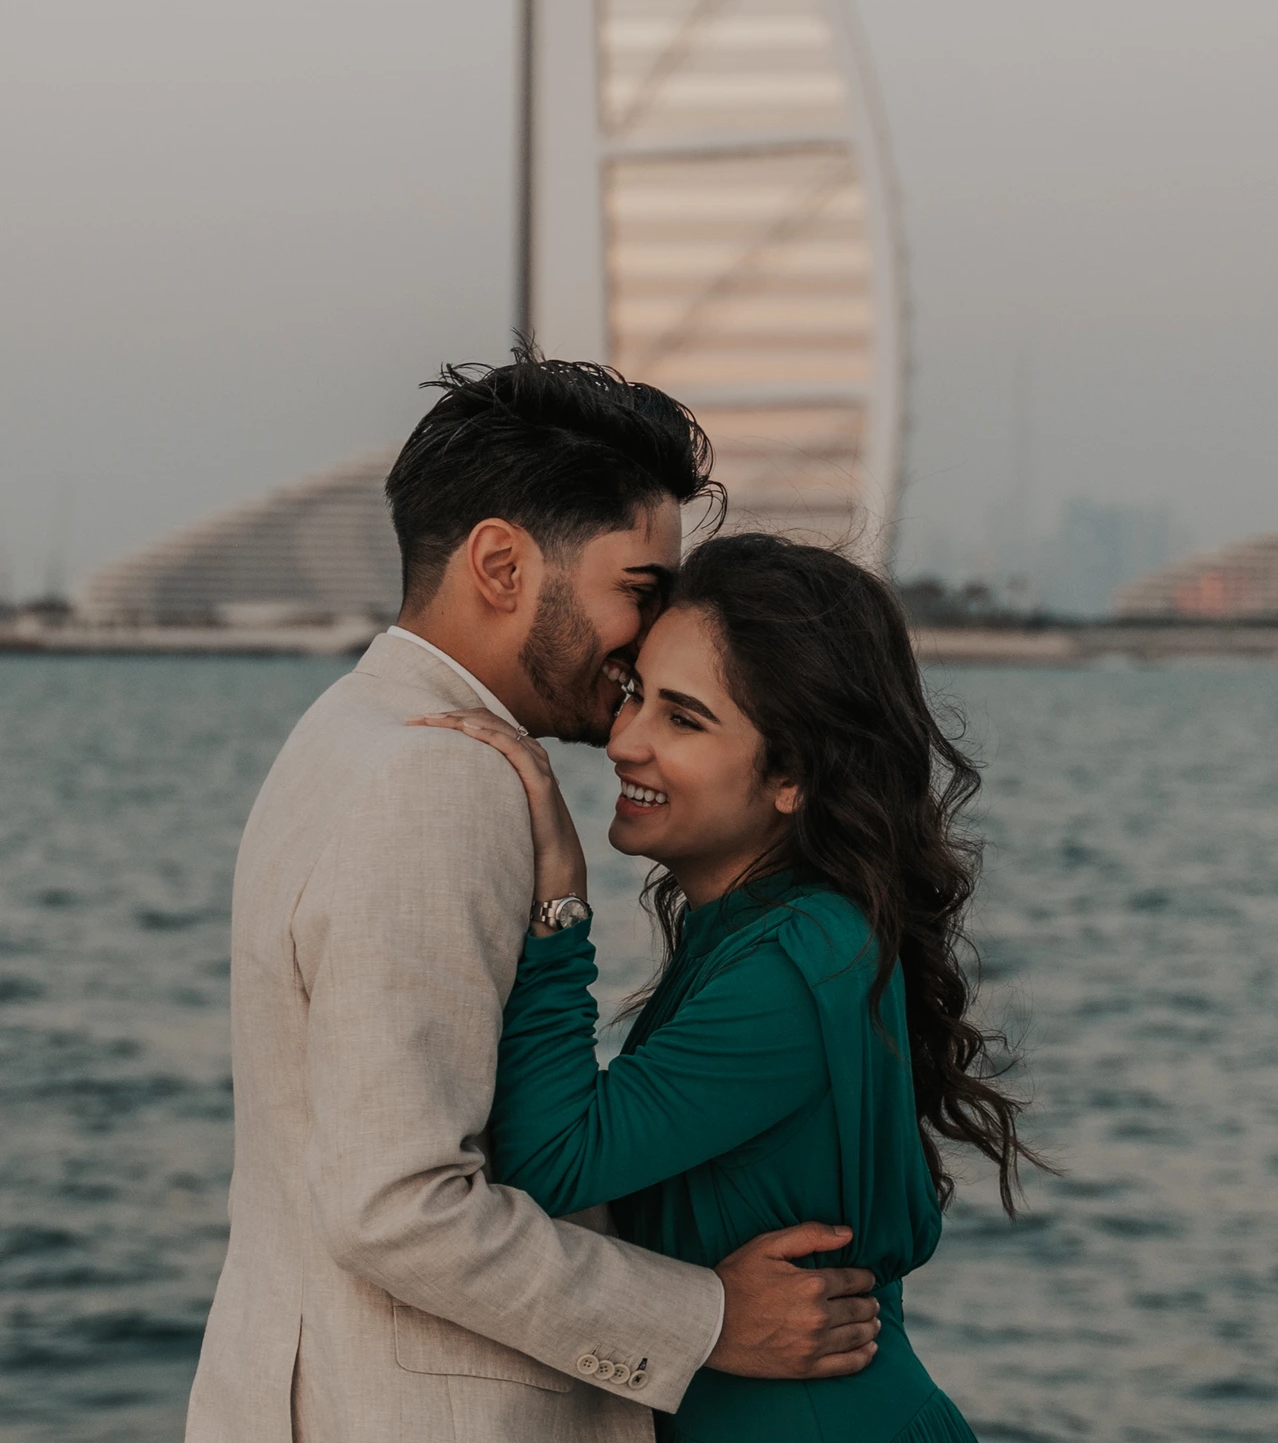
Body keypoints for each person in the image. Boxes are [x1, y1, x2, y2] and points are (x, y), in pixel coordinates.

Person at [186, 352, 880, 1443]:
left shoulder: (344, 731)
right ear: (502, 565)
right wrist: (704, 1321)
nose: (646, 642)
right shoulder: (443, 776)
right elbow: (399, 1208)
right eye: (638, 593)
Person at [421, 531, 1046, 1443]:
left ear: (793, 775)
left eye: (684, 719)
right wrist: (710, 1306)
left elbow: (552, 1159)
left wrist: (557, 904)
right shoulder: (768, 933)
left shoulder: (800, 958)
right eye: (636, 694)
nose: (623, 739)